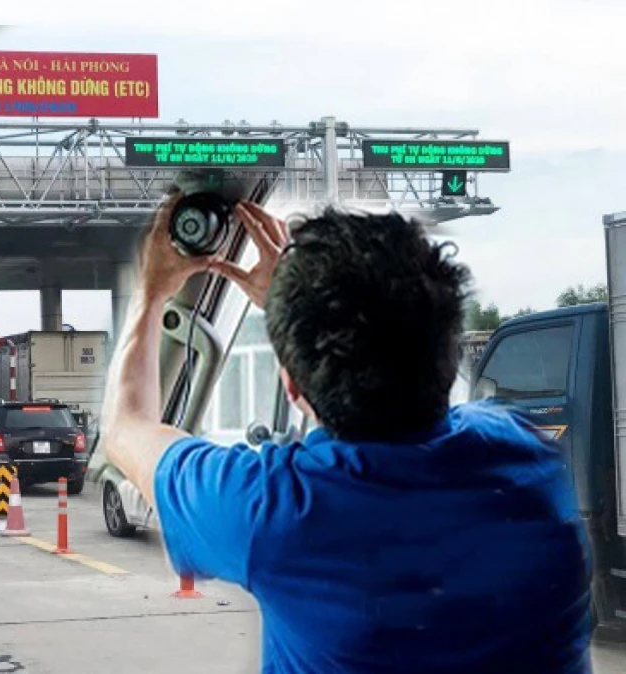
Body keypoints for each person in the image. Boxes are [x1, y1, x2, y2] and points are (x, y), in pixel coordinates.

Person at [102, 196, 592, 673]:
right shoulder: (531, 459)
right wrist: (291, 315)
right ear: (448, 347)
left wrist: (151, 292)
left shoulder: (278, 512)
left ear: (290, 382)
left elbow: (126, 427)